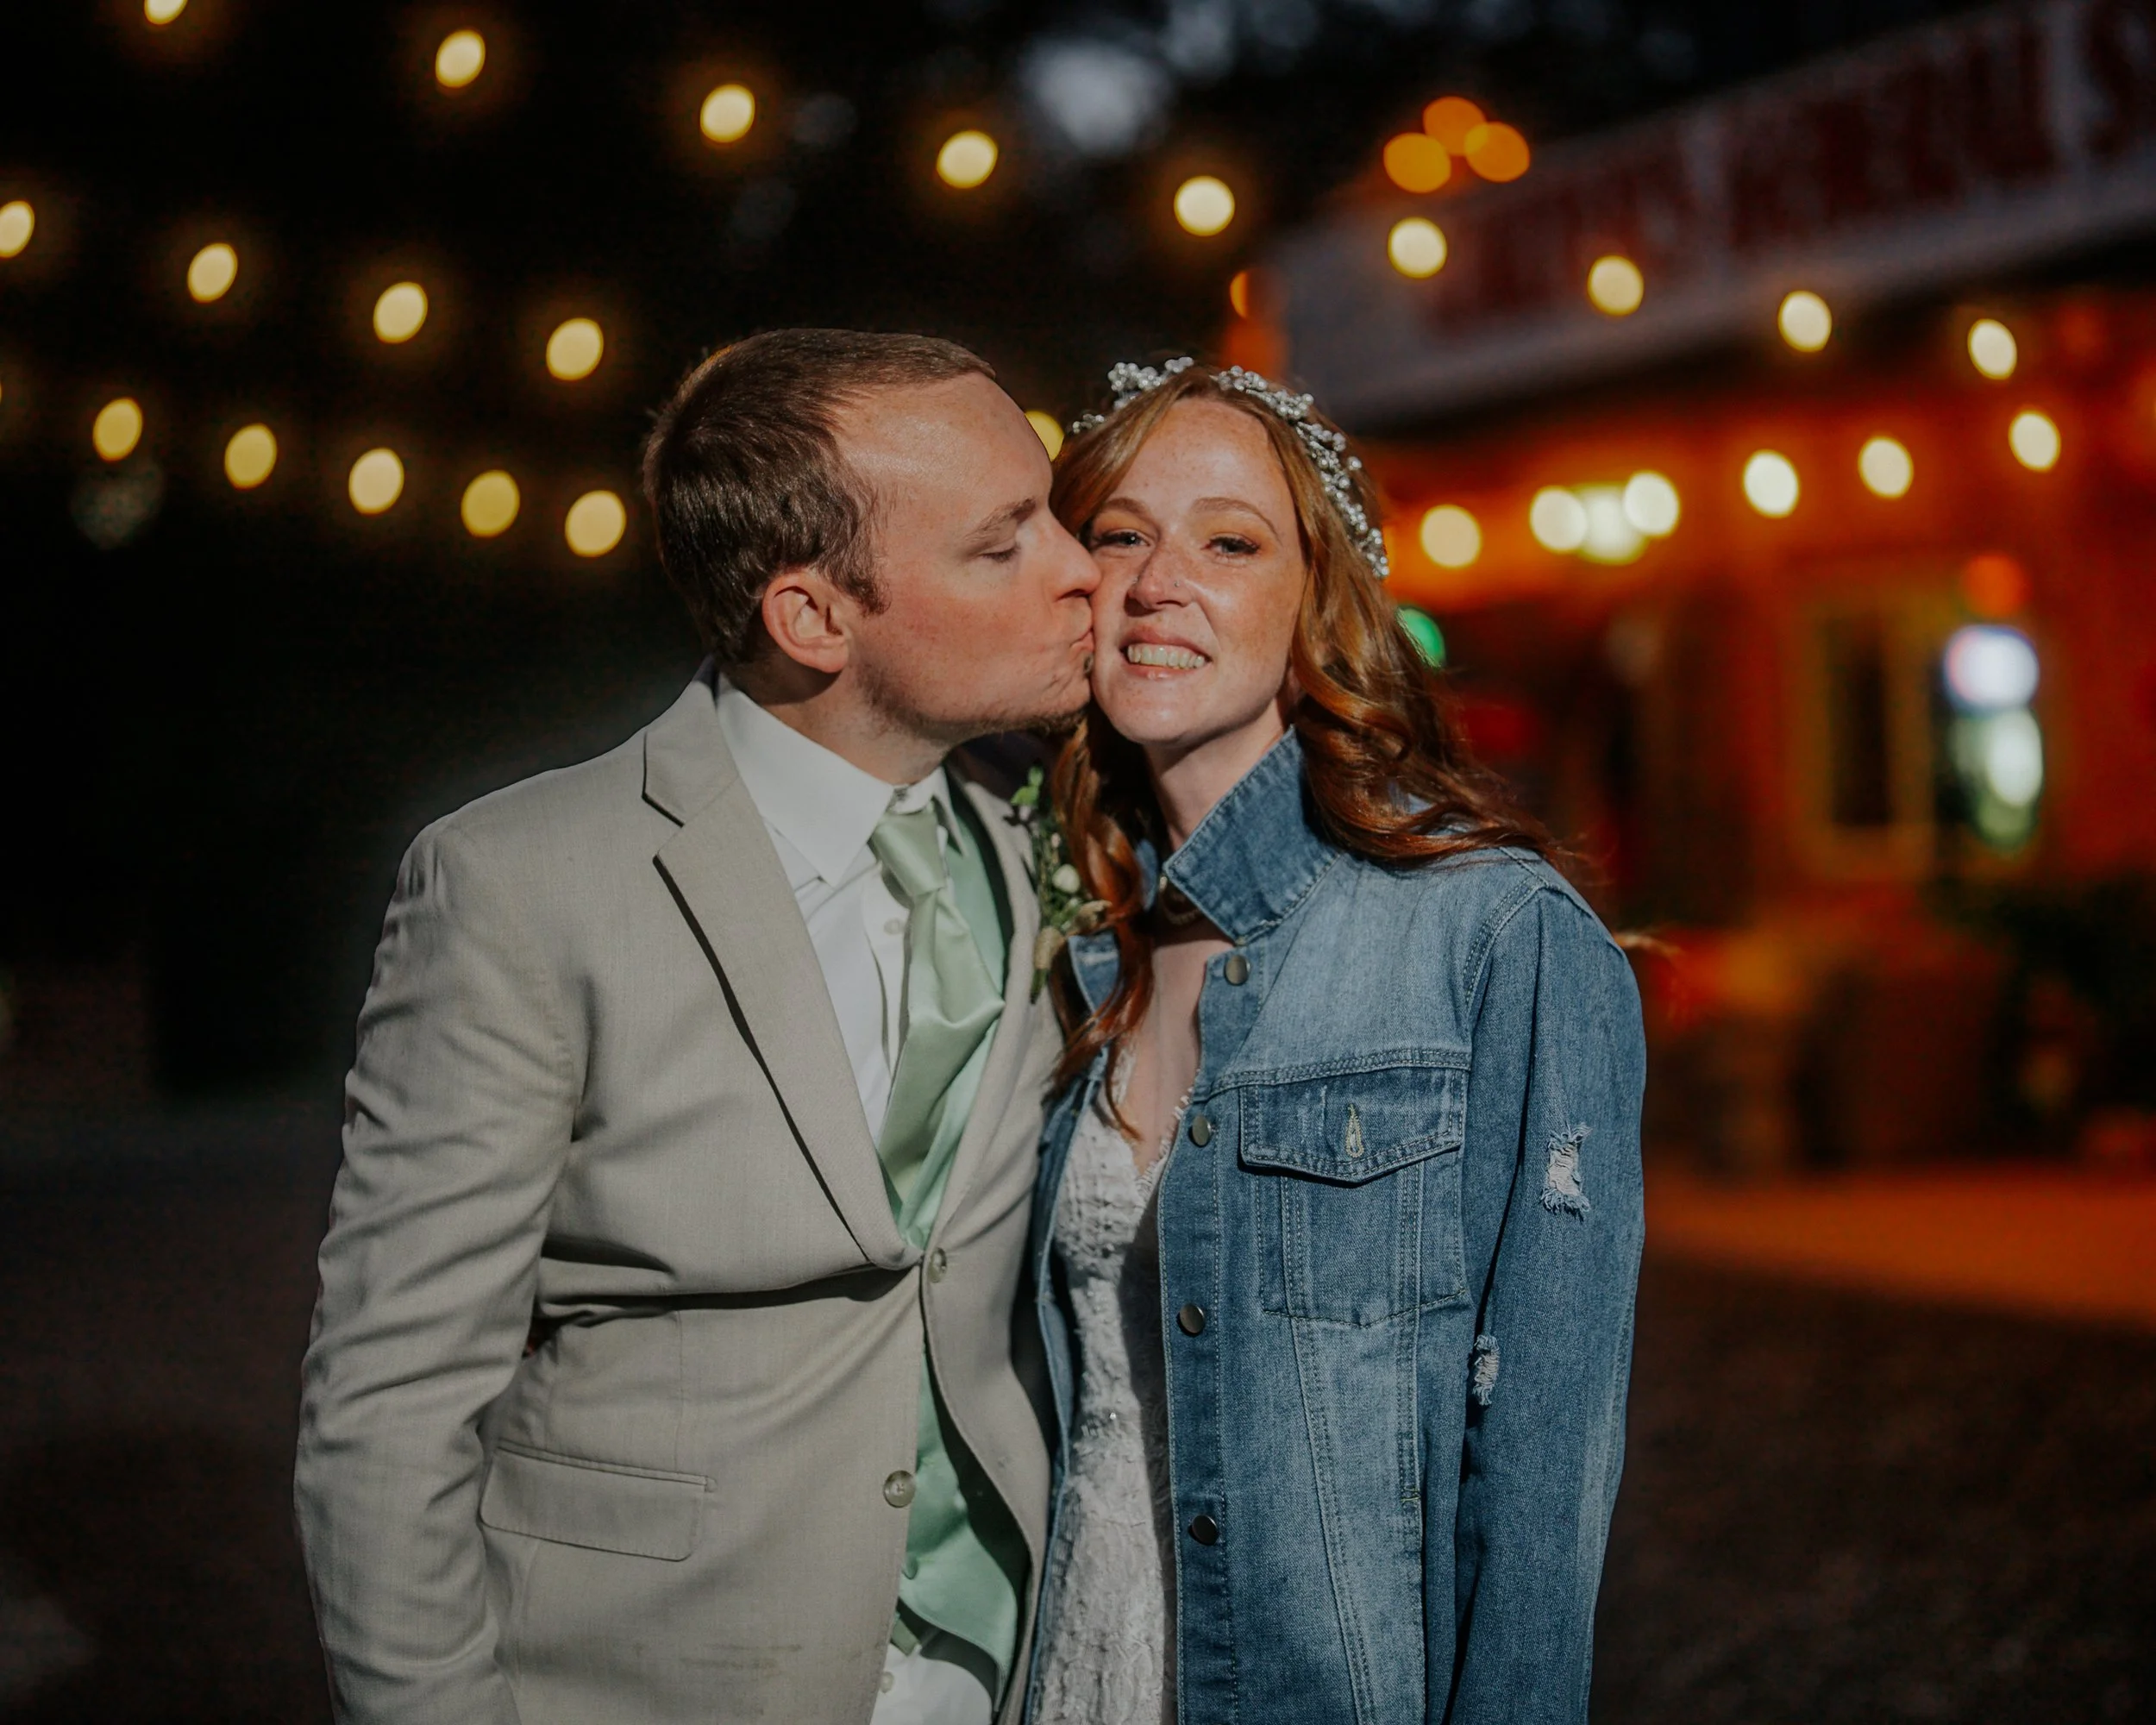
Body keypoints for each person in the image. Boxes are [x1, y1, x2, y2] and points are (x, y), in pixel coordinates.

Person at [294, 329, 1099, 1725]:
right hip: (651, 1677)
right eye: (1003, 543)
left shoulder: (1043, 856)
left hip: (998, 1663)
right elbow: (390, 1404)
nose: (1081, 568)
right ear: (814, 620)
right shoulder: (519, 884)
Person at [1025, 359, 1647, 1725]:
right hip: (1074, 1670)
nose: (1157, 579)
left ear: (1319, 609)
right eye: (1119, 533)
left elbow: (1539, 1487)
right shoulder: (1066, 957)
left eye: (1230, 540)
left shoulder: (1494, 938)